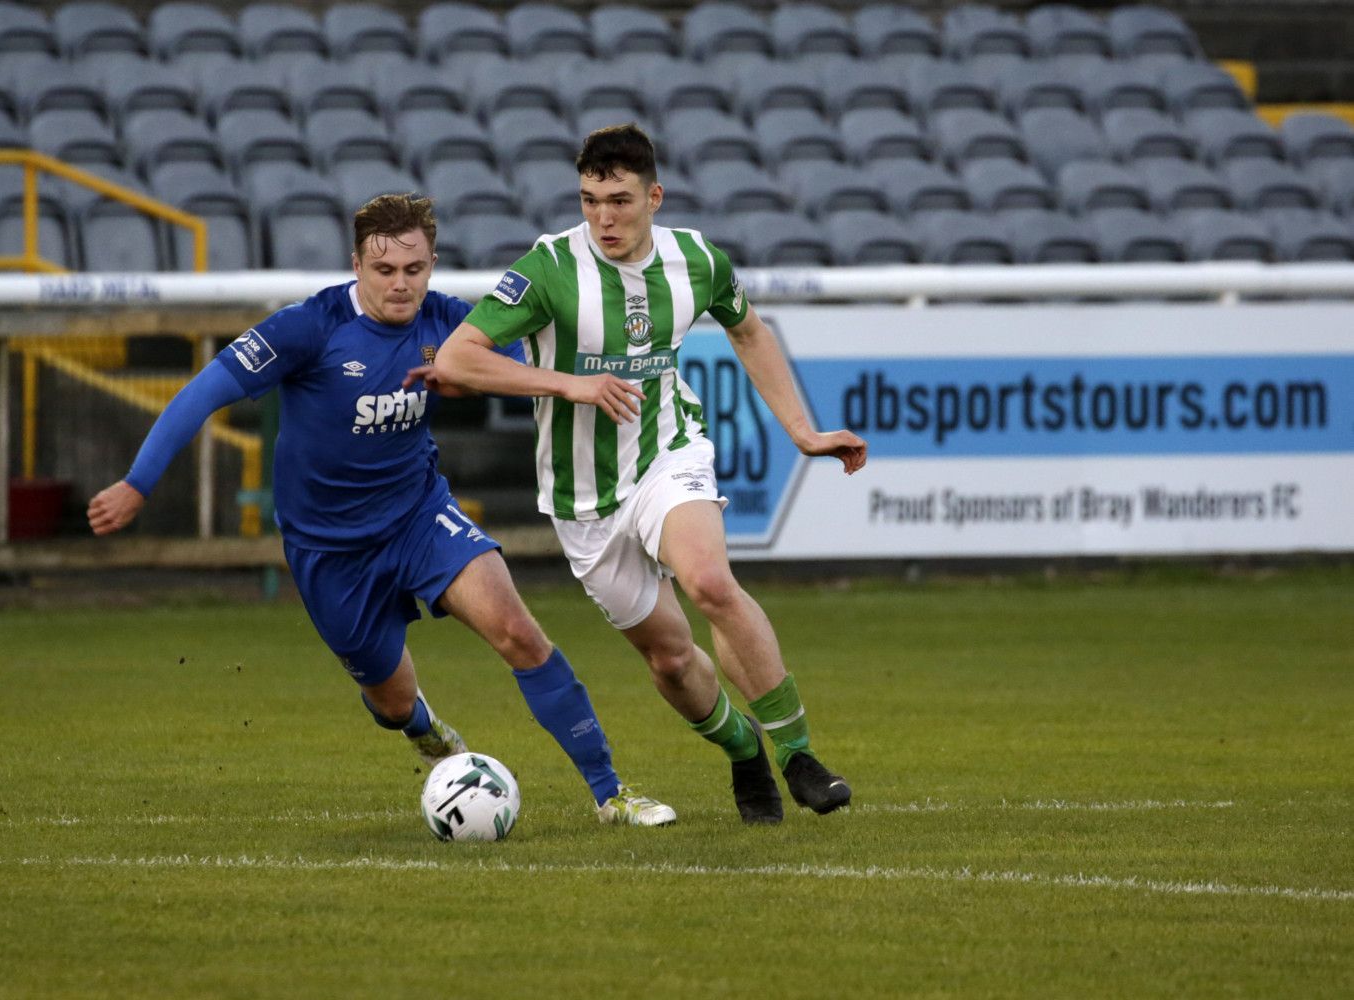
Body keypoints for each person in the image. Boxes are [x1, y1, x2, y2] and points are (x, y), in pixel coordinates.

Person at [88, 193, 675, 828]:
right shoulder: (308, 327)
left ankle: (611, 793)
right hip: (329, 552)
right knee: (392, 702)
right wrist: (138, 483)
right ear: (357, 265)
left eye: (415, 270)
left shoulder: (449, 324)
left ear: (432, 264)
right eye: (385, 270)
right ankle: (422, 728)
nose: (401, 285)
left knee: (518, 632)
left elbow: (516, 365)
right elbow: (201, 393)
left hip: (420, 516)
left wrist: (469, 374)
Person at [434, 124, 868, 824]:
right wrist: (570, 384)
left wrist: (802, 432)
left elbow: (749, 331)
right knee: (670, 660)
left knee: (709, 581)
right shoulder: (548, 269)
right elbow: (457, 358)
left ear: (654, 196)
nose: (603, 217)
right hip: (583, 497)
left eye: (620, 200)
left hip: (669, 451)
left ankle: (799, 756)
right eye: (589, 200)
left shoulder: (696, 260)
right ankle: (743, 753)